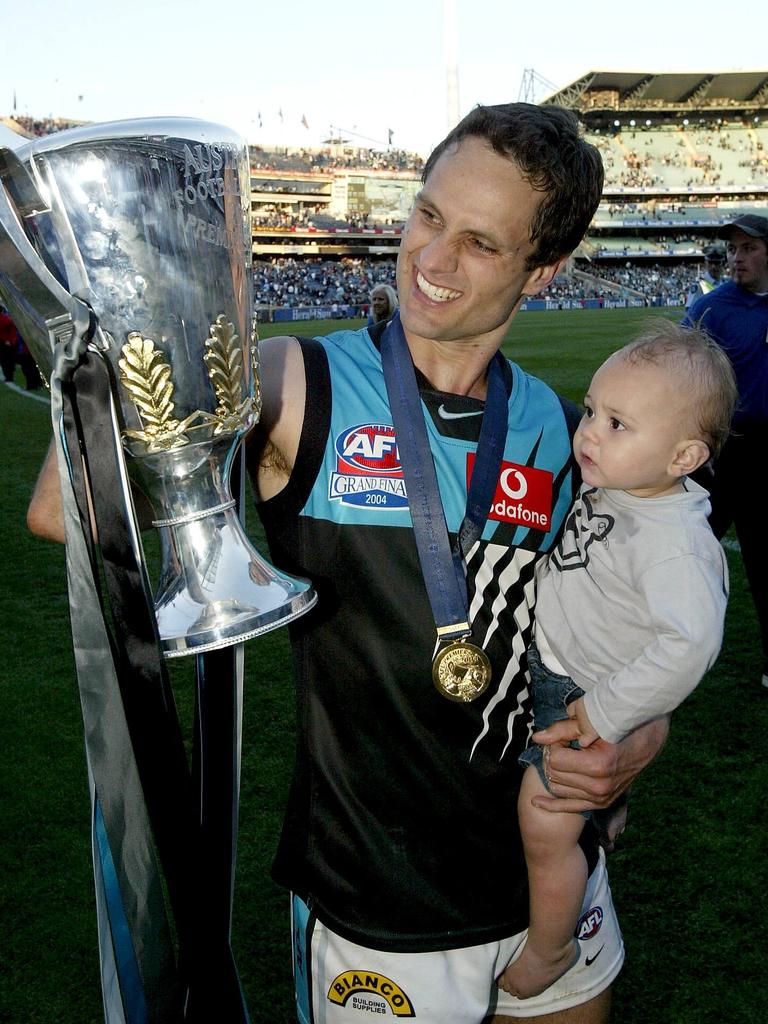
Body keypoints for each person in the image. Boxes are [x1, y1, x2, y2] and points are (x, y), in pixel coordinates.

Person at [28, 103, 669, 1023]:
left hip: (551, 879)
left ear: (546, 270)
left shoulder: (574, 438)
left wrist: (638, 746)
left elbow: (638, 648)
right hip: (375, 900)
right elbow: (63, 514)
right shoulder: (300, 383)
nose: (432, 261)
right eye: (427, 215)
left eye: (481, 244)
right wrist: (133, 317)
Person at [498, 322, 737, 1001]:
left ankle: (550, 947)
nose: (590, 433)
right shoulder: (629, 487)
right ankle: (607, 815)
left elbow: (690, 644)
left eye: (619, 423)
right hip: (562, 668)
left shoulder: (676, 543)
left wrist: (603, 713)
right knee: (570, 811)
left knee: (544, 816)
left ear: (683, 457)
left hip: (583, 690)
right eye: (594, 410)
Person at [683, 213, 768, 689]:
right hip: (719, 451)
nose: (737, 258)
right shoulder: (710, 308)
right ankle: (665, 651)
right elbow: (679, 365)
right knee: (686, 551)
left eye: (748, 248)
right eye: (733, 249)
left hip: (767, 456)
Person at [684, 243, 726, 308]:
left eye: (717, 263)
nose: (713, 267)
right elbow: (690, 311)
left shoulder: (725, 284)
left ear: (723, 264)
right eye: (710, 262)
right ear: (705, 263)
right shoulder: (699, 286)